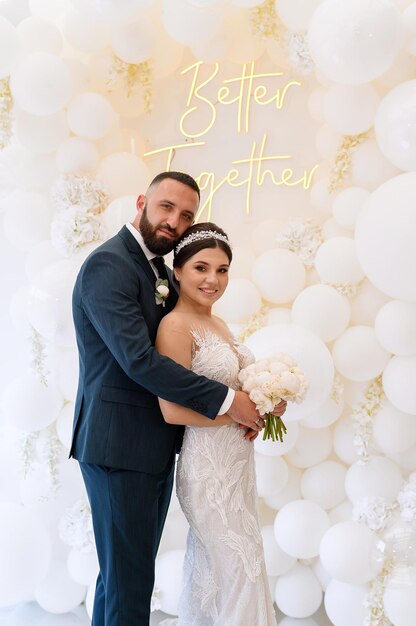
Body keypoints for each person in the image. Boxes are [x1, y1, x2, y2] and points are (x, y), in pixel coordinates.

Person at [70, 171, 267, 626]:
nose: (173, 221)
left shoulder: (156, 269)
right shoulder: (110, 265)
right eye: (166, 207)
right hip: (119, 446)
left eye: (186, 216)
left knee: (123, 577)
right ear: (142, 201)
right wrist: (227, 401)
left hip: (152, 446)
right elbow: (138, 360)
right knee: (130, 583)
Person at [156, 222, 286, 625]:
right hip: (207, 470)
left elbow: (235, 389)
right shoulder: (174, 327)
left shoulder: (220, 325)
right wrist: (237, 411)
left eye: (223, 269)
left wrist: (268, 403)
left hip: (237, 465)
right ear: (177, 270)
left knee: (229, 571)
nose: (213, 279)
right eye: (201, 268)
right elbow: (171, 410)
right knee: (239, 569)